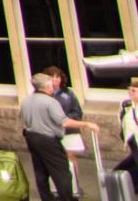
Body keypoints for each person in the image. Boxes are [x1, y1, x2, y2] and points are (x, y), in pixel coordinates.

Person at [22, 71, 100, 200]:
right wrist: (87, 124)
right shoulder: (50, 102)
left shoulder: (27, 100)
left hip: (31, 137)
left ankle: (46, 198)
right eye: (51, 84)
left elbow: (25, 120)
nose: (53, 86)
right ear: (46, 86)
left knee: (40, 171)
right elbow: (64, 122)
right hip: (48, 139)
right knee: (62, 172)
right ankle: (66, 198)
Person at [44, 67, 82, 198]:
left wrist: (64, 119)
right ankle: (56, 188)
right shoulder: (43, 94)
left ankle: (75, 187)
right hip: (51, 133)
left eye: (58, 77)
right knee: (54, 160)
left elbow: (77, 112)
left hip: (69, 131)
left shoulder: (68, 93)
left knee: (70, 157)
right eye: (52, 77)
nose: (55, 80)